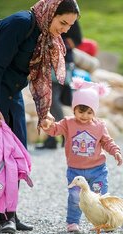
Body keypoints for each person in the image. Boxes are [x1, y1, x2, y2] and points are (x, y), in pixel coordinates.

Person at [0, 0, 80, 233]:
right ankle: (3, 216)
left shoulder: (45, 33)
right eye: (63, 22)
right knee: (2, 155)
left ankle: (11, 214)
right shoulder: (21, 24)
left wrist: (44, 111)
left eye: (70, 25)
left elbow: (38, 77)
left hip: (13, 90)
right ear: (51, 13)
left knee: (17, 152)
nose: (66, 29)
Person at [40, 77, 123, 232]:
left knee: (101, 198)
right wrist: (47, 126)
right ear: (74, 109)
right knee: (74, 198)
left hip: (97, 170)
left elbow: (107, 142)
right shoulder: (68, 123)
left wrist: (116, 151)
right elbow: (55, 130)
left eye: (89, 112)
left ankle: (106, 221)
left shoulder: (99, 125)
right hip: (75, 171)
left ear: (94, 111)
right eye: (81, 111)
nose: (84, 116)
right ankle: (72, 223)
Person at [36, 20, 82, 149]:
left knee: (51, 101)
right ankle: (54, 137)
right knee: (50, 101)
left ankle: (62, 134)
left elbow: (77, 40)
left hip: (61, 63)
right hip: (49, 62)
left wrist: (58, 44)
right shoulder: (51, 15)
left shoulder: (67, 16)